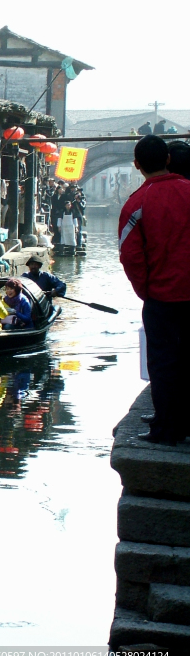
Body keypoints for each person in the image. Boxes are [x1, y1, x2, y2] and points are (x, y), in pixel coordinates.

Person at [119, 134, 190, 445]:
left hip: (162, 297)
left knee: (164, 363)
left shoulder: (137, 203)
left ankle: (167, 429)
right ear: (168, 160)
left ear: (137, 165)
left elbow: (130, 256)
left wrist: (146, 290)